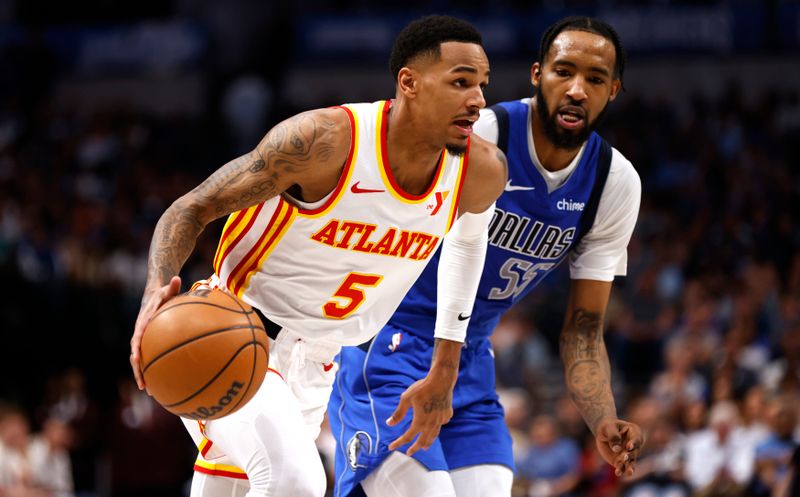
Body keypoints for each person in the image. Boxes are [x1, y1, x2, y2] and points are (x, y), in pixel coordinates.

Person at [128, 15, 507, 497]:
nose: (477, 100)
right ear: (408, 82)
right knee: (297, 483)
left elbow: (469, 244)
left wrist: (445, 367)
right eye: (460, 82)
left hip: (322, 361)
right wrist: (151, 296)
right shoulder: (325, 141)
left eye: (481, 84)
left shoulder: (480, 171)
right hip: (234, 334)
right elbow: (192, 207)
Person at [328, 16, 644, 497]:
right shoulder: (484, 137)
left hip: (468, 358)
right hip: (389, 343)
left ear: (613, 90)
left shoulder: (613, 182)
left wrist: (602, 416)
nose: (577, 90)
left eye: (595, 79)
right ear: (538, 75)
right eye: (564, 72)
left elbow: (583, 326)